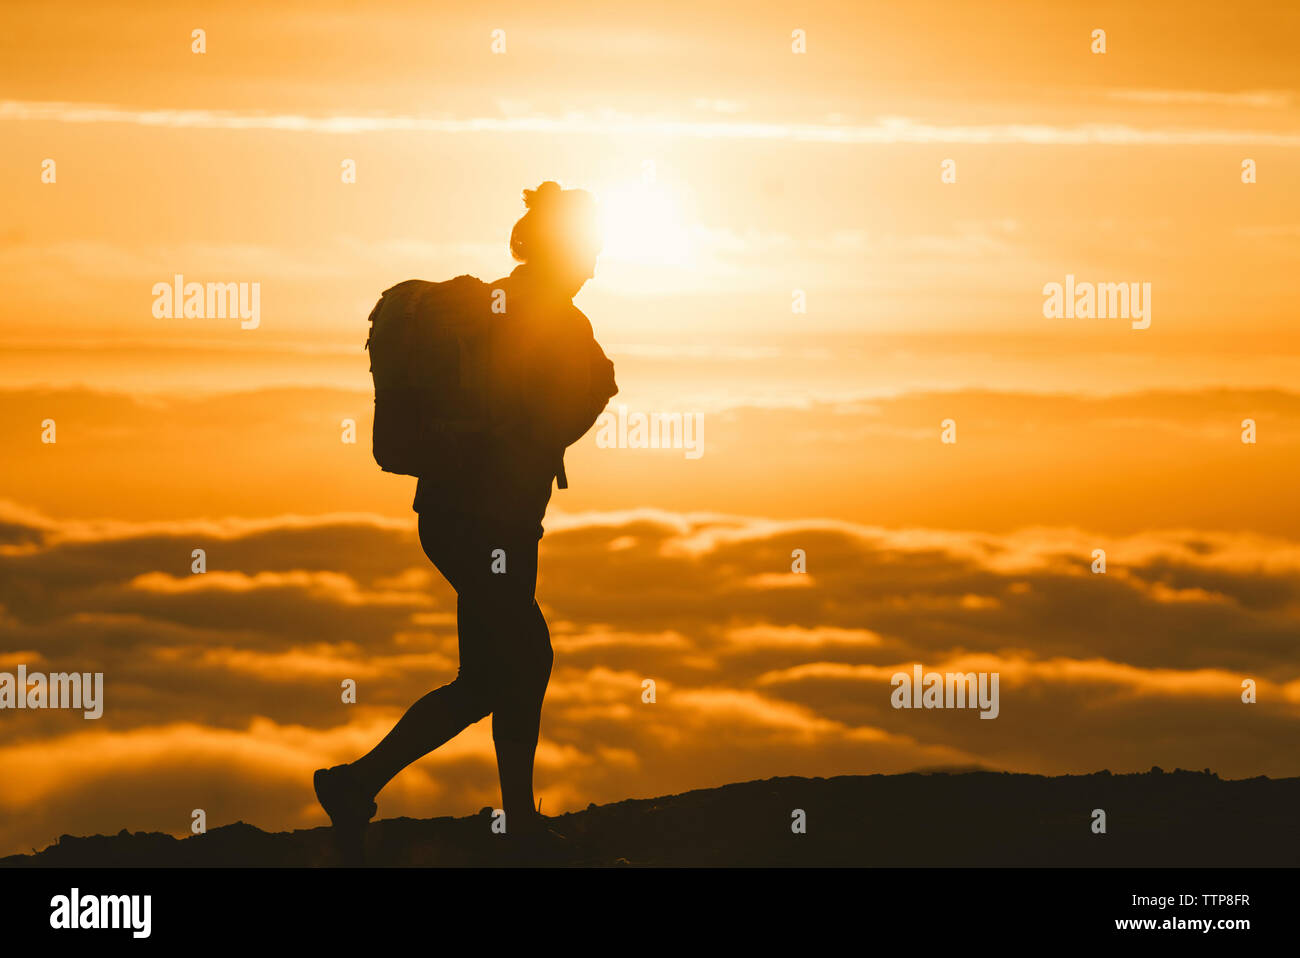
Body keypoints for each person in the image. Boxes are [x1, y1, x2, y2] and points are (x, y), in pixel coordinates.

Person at [314, 181, 617, 851]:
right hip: (484, 522)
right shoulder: (545, 320)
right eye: (589, 247)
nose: (596, 262)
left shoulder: (504, 309)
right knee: (528, 655)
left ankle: (356, 785)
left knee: (487, 676)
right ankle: (516, 823)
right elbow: (555, 407)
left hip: (474, 518)